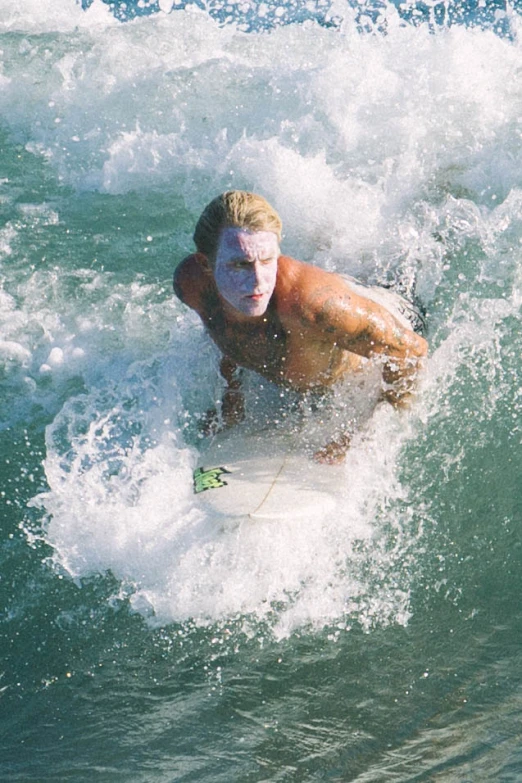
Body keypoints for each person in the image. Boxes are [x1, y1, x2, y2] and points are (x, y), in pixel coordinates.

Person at [174, 190, 428, 463]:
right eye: (240, 264)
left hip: (396, 313)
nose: (258, 281)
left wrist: (366, 434)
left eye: (268, 260)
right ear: (205, 264)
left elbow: (411, 352)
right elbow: (223, 327)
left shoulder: (312, 307)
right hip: (333, 319)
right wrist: (232, 396)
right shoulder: (192, 286)